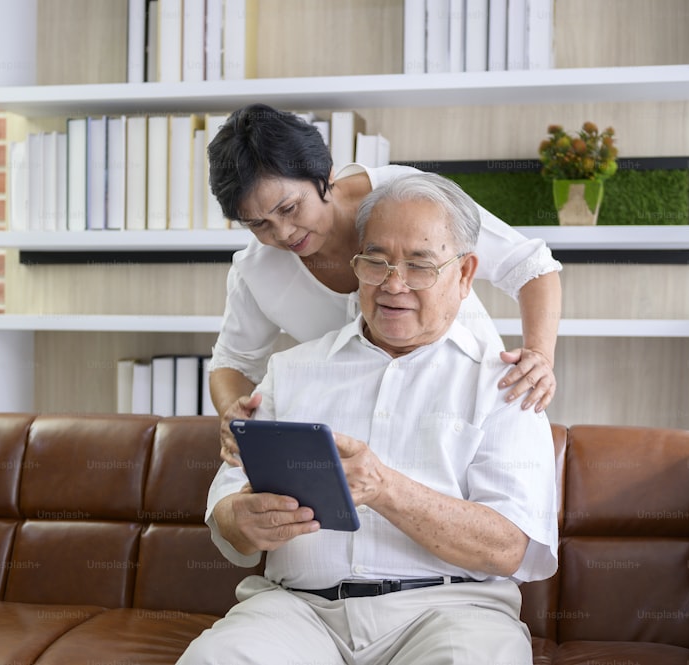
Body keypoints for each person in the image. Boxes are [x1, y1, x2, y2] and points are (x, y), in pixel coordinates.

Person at [178, 172, 558, 665]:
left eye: (420, 267)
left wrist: (384, 488)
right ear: (356, 266)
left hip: (451, 612)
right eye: (376, 263)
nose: (392, 285)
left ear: (464, 275)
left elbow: (509, 547)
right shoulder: (289, 371)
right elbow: (228, 499)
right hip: (297, 612)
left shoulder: (508, 386)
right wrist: (237, 520)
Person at [207, 103, 562, 465]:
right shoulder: (256, 270)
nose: (282, 233)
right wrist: (233, 414)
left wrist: (540, 355)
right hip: (364, 439)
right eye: (258, 224)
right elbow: (232, 361)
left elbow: (529, 264)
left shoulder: (406, 198)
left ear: (324, 175)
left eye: (289, 209)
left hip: (465, 413)